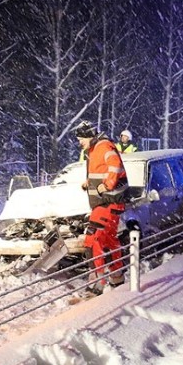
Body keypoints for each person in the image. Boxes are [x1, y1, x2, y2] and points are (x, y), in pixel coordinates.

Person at [74, 120, 128, 294]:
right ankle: (117, 277)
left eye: (81, 138)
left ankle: (97, 282)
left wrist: (107, 185)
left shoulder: (103, 146)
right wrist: (89, 183)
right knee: (109, 239)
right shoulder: (94, 149)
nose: (79, 142)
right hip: (107, 202)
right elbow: (101, 171)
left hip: (107, 202)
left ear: (89, 136)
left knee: (93, 239)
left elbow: (115, 166)